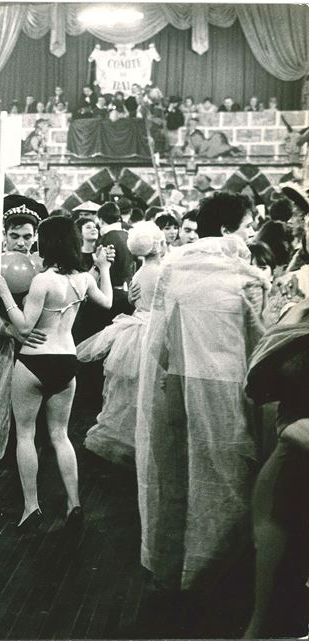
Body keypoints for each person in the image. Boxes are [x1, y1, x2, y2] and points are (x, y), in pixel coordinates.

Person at [136, 191, 266, 591]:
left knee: (175, 478)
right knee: (229, 479)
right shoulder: (248, 278)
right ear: (226, 230)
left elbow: (159, 343)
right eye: (247, 227)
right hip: (227, 388)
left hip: (176, 384)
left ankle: (170, 570)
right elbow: (260, 345)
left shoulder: (173, 269)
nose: (251, 235)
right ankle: (219, 574)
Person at [0, 215, 113, 530]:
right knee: (61, 436)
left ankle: (31, 507)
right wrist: (104, 268)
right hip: (67, 359)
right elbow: (108, 301)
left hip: (35, 360)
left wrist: (4, 292)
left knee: (26, 435)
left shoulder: (42, 281)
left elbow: (24, 327)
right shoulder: (83, 279)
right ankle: (74, 503)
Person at [244, 302, 309, 637]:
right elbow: (257, 385)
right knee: (273, 563)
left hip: (295, 450)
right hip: (292, 458)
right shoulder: (299, 316)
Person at [77, 222, 164, 468]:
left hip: (136, 329)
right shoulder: (160, 272)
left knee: (128, 391)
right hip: (151, 329)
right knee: (148, 390)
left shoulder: (141, 272)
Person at [95, 202, 135, 321]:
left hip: (112, 293)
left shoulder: (106, 238)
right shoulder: (127, 235)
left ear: (101, 220)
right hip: (128, 290)